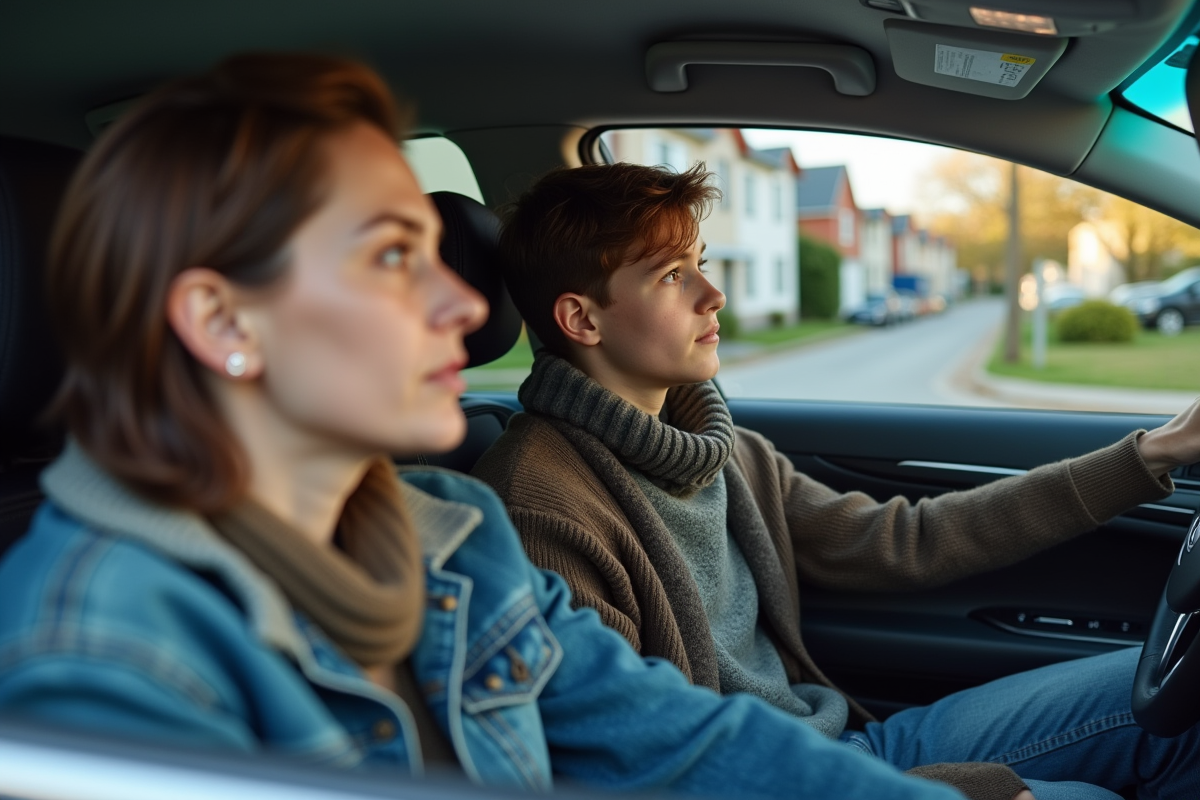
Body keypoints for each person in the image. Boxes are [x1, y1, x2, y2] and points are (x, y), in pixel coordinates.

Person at [0, 52, 986, 800]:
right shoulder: (98, 654)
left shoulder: (450, 532)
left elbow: (683, 739)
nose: (466, 308)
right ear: (224, 321)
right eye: (392, 256)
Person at [471, 161, 1200, 800]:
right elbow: (641, 762)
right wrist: (952, 789)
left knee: (1184, 709)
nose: (712, 294)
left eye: (699, 260)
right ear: (581, 319)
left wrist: (1157, 453)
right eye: (671, 275)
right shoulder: (541, 505)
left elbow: (910, 540)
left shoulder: (725, 450)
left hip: (843, 745)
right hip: (782, 779)